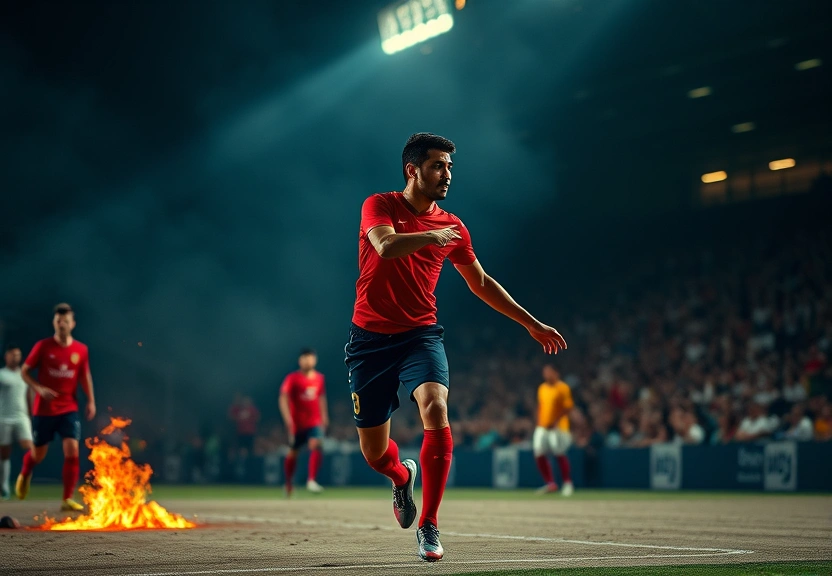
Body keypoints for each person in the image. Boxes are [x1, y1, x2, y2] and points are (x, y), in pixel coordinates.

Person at [345, 133, 567, 561]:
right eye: (437, 166)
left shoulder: (453, 226)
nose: (446, 175)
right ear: (413, 170)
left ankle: (429, 524)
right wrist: (432, 238)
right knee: (375, 454)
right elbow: (385, 246)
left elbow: (480, 283)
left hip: (419, 336)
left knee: (436, 407)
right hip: (369, 342)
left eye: (449, 167)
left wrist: (532, 324)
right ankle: (400, 475)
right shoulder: (379, 205)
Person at [15, 304, 96, 511]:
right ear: (54, 323)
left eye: (66, 321)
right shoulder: (43, 346)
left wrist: (91, 400)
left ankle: (67, 499)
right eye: (59, 321)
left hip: (69, 408)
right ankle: (25, 472)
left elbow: (84, 376)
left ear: (73, 324)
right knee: (38, 455)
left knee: (72, 450)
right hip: (44, 410)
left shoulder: (81, 350)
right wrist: (39, 388)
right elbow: (24, 371)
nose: (62, 324)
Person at [279, 348, 328, 495]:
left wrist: (324, 416)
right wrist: (287, 418)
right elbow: (283, 398)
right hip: (297, 423)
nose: (308, 360)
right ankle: (288, 483)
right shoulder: (292, 378)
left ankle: (311, 481)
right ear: (300, 361)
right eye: (305, 358)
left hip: (314, 421)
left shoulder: (319, 378)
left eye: (310, 357)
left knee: (316, 444)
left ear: (315, 359)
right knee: (293, 452)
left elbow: (321, 397)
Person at [533, 365, 575, 496]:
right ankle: (551, 484)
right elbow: (541, 406)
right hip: (543, 427)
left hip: (558, 427)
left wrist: (556, 421)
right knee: (539, 453)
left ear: (556, 373)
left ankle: (567, 483)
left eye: (549, 372)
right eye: (545, 372)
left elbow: (568, 407)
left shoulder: (563, 388)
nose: (547, 375)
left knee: (559, 453)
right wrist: (539, 422)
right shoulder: (542, 388)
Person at [0, 344, 33, 500]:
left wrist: (33, 412)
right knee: (4, 454)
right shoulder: (2, 375)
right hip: (3, 418)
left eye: (18, 355)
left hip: (22, 417)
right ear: (6, 356)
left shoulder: (24, 374)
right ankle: (4, 486)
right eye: (13, 355)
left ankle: (23, 481)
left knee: (30, 449)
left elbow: (29, 394)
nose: (16, 357)